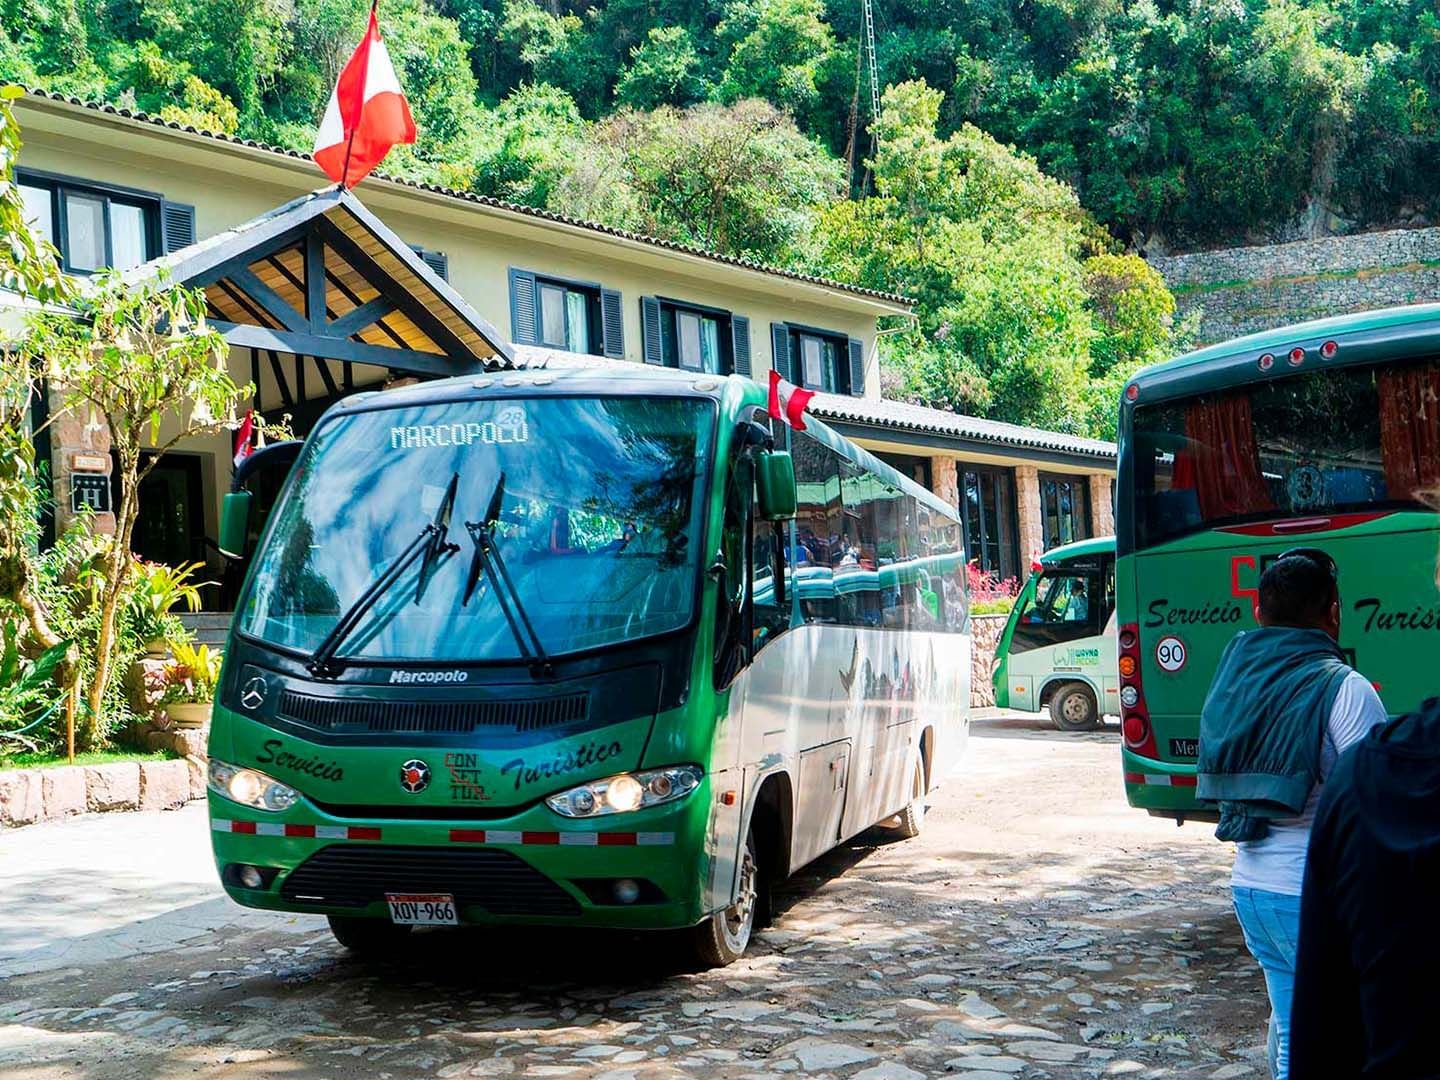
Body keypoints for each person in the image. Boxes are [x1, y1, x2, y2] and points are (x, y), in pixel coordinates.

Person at [1196, 549, 1387, 1080]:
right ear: (1334, 613)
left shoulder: (1236, 680)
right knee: (1339, 1045)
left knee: (1291, 1032)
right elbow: (1376, 804)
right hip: (1311, 896)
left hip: (1251, 888)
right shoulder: (1343, 687)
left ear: (1258, 612)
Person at [1289, 536, 1440, 1076]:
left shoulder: (1379, 785)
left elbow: (1323, 1051)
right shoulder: (1348, 692)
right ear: (1333, 614)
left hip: (1257, 877)